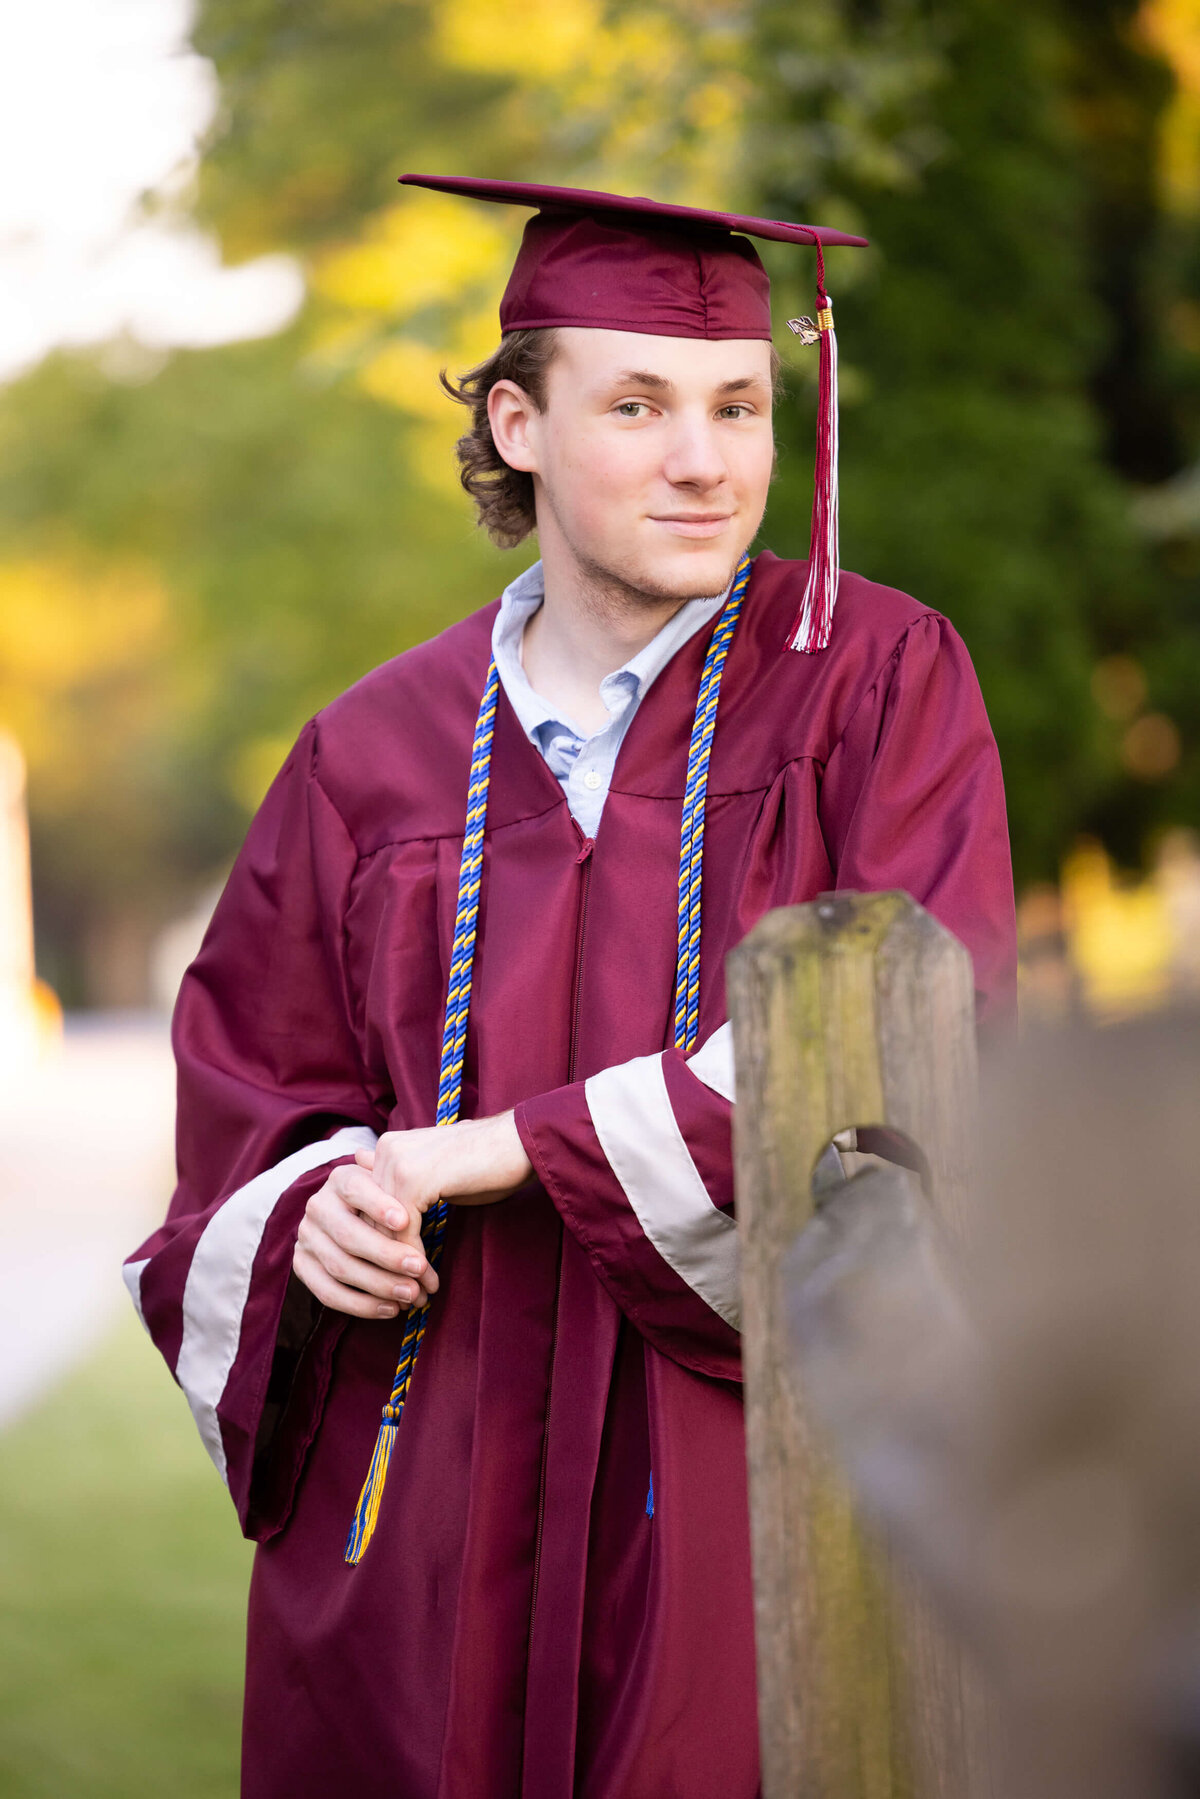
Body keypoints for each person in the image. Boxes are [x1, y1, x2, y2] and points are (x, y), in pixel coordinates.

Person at [124, 175, 1017, 1799]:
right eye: (638, 404)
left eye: (740, 405)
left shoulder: (879, 683)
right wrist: (316, 1200)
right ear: (518, 423)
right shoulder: (370, 755)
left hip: (752, 1515)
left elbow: (910, 1060)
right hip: (426, 1523)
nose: (707, 457)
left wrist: (497, 1147)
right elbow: (248, 1106)